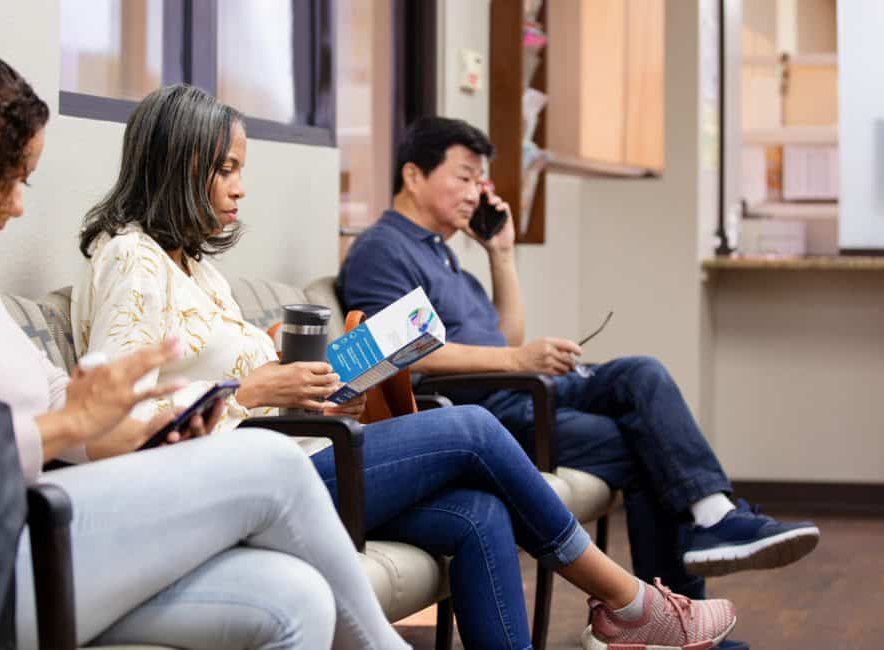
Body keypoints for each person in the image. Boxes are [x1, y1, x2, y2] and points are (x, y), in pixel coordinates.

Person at [0, 29, 410, 650]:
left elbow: (55, 393)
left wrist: (141, 425)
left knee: (292, 596)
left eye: (23, 181)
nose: (15, 206)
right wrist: (69, 427)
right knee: (270, 462)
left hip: (21, 522)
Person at [74, 83, 738, 650]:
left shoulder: (197, 268)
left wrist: (314, 389)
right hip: (242, 483)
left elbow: (234, 387)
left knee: (480, 514)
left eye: (240, 169)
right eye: (224, 170)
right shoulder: (131, 262)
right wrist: (253, 384)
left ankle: (629, 610)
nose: (240, 190)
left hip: (294, 451)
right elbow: (111, 429)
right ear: (172, 165)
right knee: (474, 428)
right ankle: (627, 604)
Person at [338, 116, 823, 649]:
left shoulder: (444, 252)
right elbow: (399, 358)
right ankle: (676, 617)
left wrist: (502, 255)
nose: (477, 191)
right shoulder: (383, 249)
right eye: (465, 177)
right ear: (412, 175)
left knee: (641, 372)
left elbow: (503, 337)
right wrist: (519, 360)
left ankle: (712, 518)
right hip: (484, 412)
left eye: (481, 180)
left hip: (514, 390)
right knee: (646, 446)